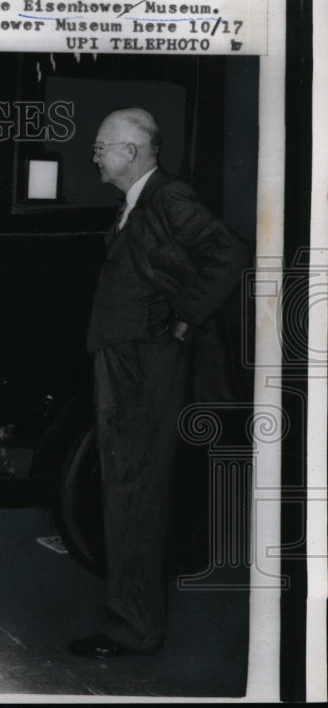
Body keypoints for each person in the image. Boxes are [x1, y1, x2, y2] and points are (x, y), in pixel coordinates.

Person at [70, 108, 248, 658]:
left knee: (135, 493)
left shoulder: (168, 196)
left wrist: (184, 319)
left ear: (131, 151)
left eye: (101, 147)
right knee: (127, 490)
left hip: (145, 366)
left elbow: (229, 254)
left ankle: (133, 628)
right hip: (127, 360)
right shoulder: (139, 201)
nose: (94, 156)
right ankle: (131, 619)